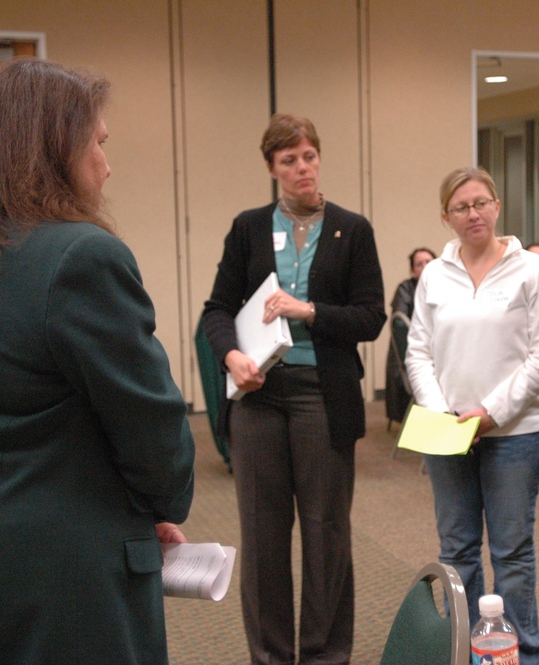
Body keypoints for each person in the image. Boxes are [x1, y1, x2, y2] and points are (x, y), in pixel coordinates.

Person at [0, 59, 195, 664]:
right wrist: (150, 507)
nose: (107, 165)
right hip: (49, 579)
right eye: (98, 144)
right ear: (53, 150)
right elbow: (156, 438)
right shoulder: (81, 257)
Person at [202, 113, 385, 665]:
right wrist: (232, 356)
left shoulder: (351, 229)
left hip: (322, 398)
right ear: (271, 168)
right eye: (289, 161)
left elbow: (371, 318)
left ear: (318, 157)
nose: (302, 168)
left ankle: (326, 655)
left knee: (327, 534)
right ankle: (271, 656)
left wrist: (308, 311)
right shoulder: (248, 228)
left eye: (308, 157)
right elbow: (216, 310)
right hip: (259, 398)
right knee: (262, 539)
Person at [405, 167, 539, 665]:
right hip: (448, 433)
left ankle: (522, 657)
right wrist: (443, 414)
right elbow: (418, 354)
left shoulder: (529, 269)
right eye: (460, 207)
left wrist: (489, 414)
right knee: (457, 554)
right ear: (445, 217)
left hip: (515, 434)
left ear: (496, 205)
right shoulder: (434, 274)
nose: (473, 214)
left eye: (481, 203)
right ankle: (465, 655)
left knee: (512, 556)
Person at [385, 247, 436, 423]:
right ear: (412, 270)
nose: (425, 267)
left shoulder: (447, 286)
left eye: (429, 262)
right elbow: (400, 322)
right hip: (416, 350)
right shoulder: (405, 289)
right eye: (419, 264)